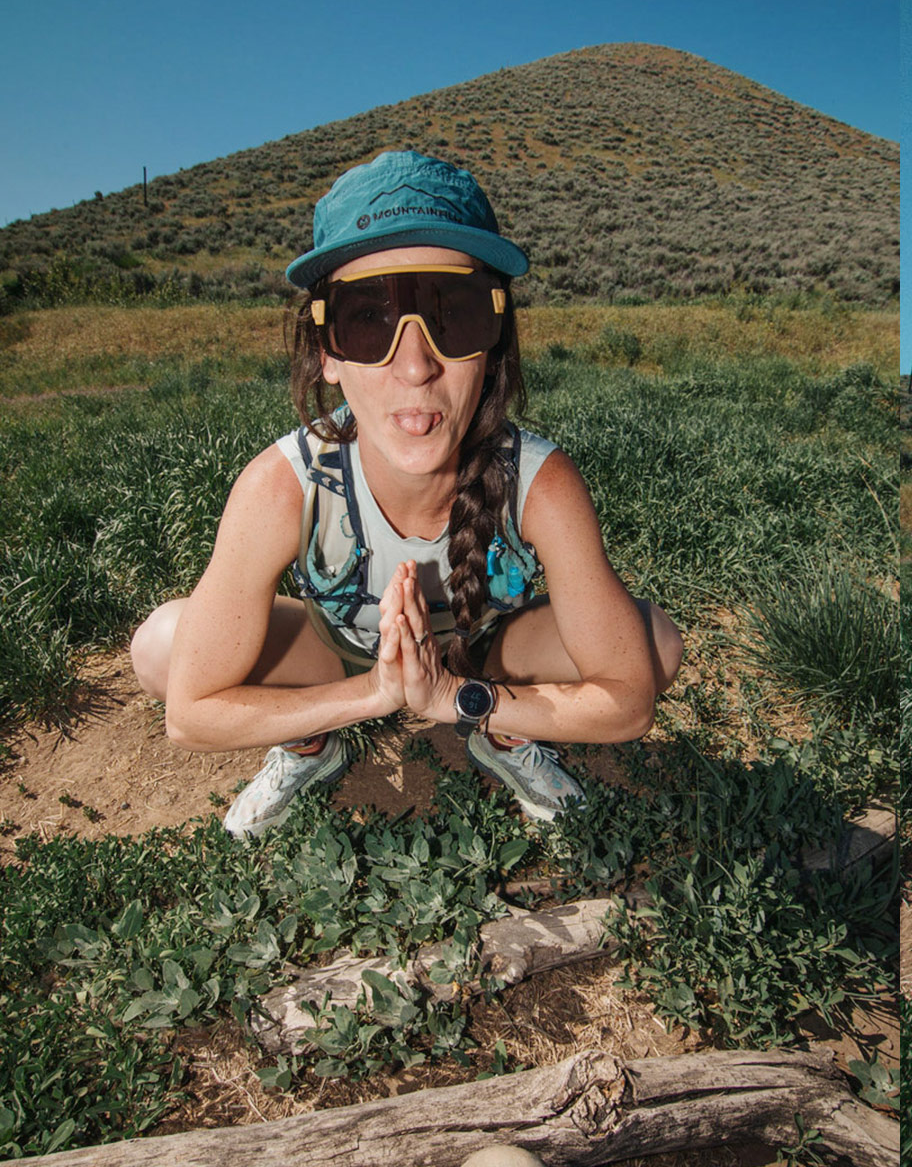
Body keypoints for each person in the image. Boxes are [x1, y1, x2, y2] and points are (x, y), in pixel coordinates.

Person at [131, 151, 682, 838]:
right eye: (368, 319)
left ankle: (505, 732)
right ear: (328, 353)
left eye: (455, 317)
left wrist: (457, 697)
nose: (416, 366)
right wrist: (374, 693)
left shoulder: (540, 482)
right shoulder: (281, 485)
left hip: (484, 653)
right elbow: (189, 715)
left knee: (652, 642)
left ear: (493, 343)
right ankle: (308, 742)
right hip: (337, 653)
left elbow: (629, 701)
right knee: (163, 647)